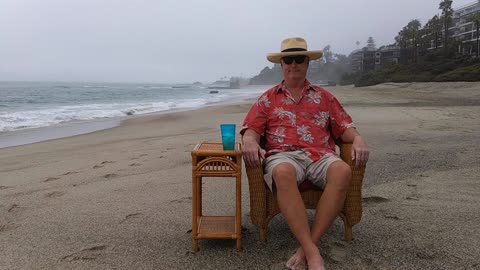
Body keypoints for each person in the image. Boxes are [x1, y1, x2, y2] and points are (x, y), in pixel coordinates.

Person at [241, 37, 369, 270]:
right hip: (283, 155)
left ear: (307, 63)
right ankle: (313, 253)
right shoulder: (268, 98)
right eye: (287, 59)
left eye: (299, 58)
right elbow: (251, 130)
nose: (293, 64)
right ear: (281, 65)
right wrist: (249, 141)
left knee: (342, 170)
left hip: (321, 155)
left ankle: (306, 248)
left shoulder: (324, 97)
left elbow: (346, 128)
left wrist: (358, 138)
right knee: (281, 172)